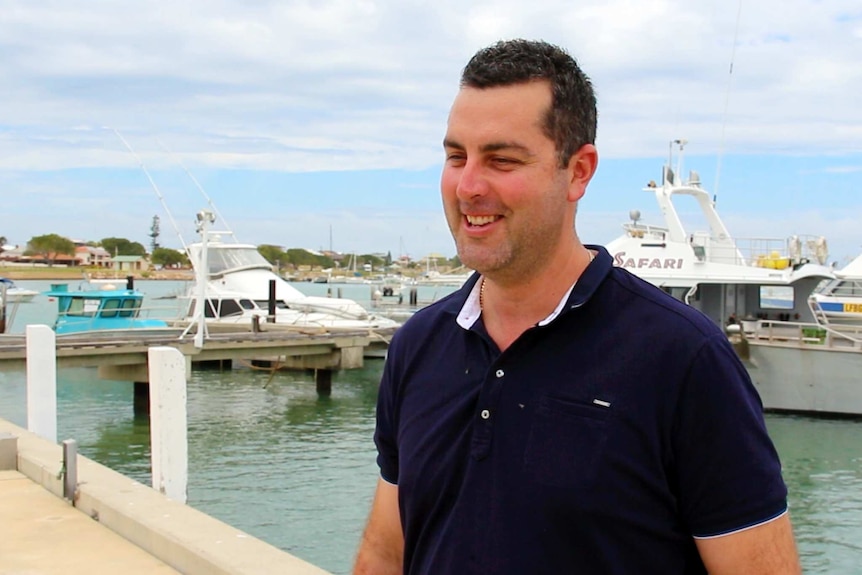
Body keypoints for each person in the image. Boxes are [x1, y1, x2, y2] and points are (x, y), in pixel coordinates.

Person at [353, 39, 801, 575]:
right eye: (456, 157)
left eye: (502, 159)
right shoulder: (417, 345)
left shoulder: (684, 359)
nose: (468, 185)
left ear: (579, 171)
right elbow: (386, 550)